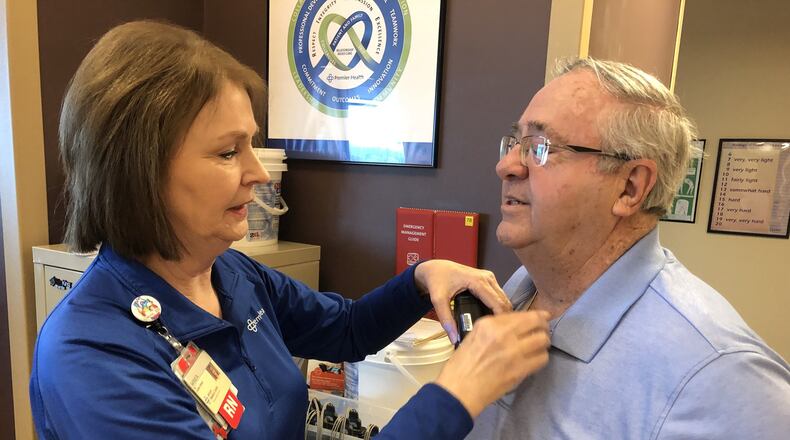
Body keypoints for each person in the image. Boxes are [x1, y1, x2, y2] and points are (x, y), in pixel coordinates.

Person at [29, 21, 552, 439]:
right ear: (139, 172)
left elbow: (345, 329)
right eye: (228, 152)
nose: (258, 174)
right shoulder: (91, 356)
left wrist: (422, 278)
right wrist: (456, 395)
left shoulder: (228, 274)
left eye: (251, 145)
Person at [466, 58, 790, 439]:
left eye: (540, 147)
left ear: (630, 187)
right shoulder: (524, 288)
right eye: (516, 142)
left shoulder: (719, 376)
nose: (506, 165)